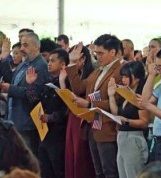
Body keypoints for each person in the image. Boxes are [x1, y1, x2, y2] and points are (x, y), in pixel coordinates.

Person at [66, 34, 123, 178]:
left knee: (110, 171)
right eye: (96, 53)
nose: (98, 57)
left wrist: (89, 103)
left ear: (113, 52)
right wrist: (72, 63)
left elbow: (118, 102)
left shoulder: (121, 71)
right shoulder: (98, 70)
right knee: (99, 172)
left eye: (101, 53)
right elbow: (79, 88)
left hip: (108, 127)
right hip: (93, 125)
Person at [0, 32, 49, 156]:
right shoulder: (24, 63)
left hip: (27, 122)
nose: (22, 49)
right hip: (14, 119)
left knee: (27, 160)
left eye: (25, 45)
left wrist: (10, 89)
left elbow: (33, 95)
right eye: (21, 45)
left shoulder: (41, 65)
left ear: (37, 47)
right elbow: (12, 81)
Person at [25, 48, 70, 178]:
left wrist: (51, 117)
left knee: (58, 170)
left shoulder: (67, 84)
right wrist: (31, 85)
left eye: (53, 61)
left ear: (62, 64)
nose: (49, 63)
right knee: (45, 170)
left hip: (58, 135)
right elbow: (36, 104)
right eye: (48, 60)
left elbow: (67, 109)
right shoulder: (48, 83)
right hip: (44, 133)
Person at [108, 61, 150, 178]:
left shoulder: (140, 96)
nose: (123, 80)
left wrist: (127, 121)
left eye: (126, 76)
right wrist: (111, 95)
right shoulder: (125, 94)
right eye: (122, 76)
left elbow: (144, 122)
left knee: (133, 174)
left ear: (136, 77)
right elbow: (116, 113)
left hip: (133, 138)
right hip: (121, 137)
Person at [65, 43, 95, 178]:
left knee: (80, 156)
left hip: (83, 116)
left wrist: (71, 64)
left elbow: (78, 90)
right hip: (73, 115)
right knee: (71, 153)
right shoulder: (78, 73)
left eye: (75, 59)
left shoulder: (92, 73)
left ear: (83, 59)